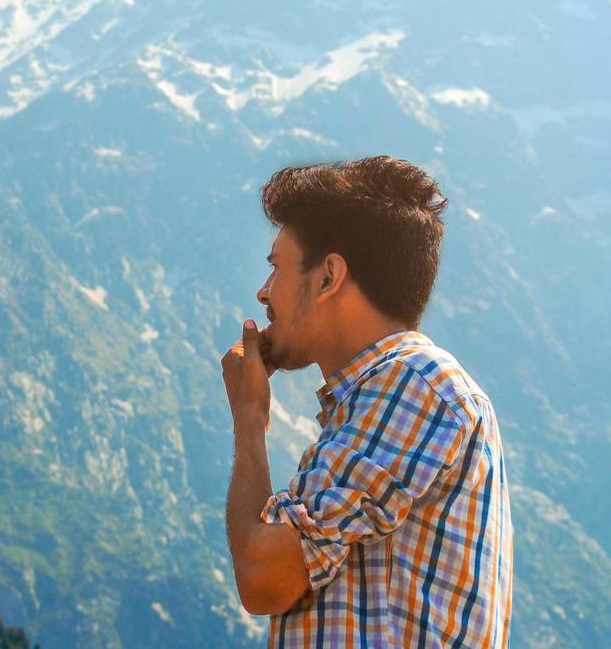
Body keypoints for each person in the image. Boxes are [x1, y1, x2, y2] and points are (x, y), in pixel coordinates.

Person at [220, 156, 513, 647]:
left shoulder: (410, 384)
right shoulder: (385, 395)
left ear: (329, 277)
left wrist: (249, 419)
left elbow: (264, 576)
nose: (263, 292)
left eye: (276, 269)